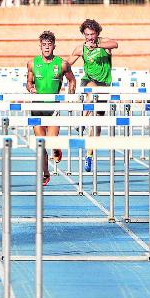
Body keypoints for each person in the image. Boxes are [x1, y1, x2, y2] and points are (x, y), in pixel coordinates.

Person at [67, 19, 118, 172]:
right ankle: (81, 121)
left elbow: (115, 44)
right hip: (88, 81)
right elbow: (66, 64)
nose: (89, 37)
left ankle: (89, 155)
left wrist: (97, 45)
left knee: (96, 124)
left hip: (104, 85)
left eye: (92, 34)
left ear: (97, 33)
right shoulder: (81, 48)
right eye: (87, 34)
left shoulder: (103, 43)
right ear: (83, 34)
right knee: (92, 91)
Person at [27, 31, 76, 186]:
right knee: (40, 144)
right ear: (40, 46)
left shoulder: (62, 64)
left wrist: (70, 95)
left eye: (49, 45)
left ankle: (56, 148)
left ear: (54, 46)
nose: (47, 47)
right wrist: (31, 88)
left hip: (53, 107)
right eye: (44, 45)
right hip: (36, 107)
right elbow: (28, 82)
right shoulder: (32, 63)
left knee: (51, 142)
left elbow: (72, 80)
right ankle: (46, 173)